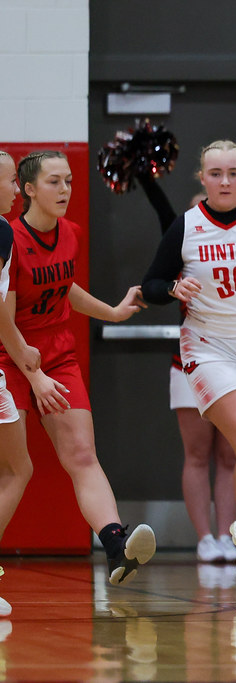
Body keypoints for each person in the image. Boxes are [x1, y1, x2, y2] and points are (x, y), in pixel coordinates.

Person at [0, 150, 156, 591]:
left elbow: (63, 286)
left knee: (82, 456)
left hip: (58, 357)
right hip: (11, 357)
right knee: (13, 470)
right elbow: (3, 317)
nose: (65, 189)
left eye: (68, 180)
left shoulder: (70, 233)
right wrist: (33, 376)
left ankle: (115, 545)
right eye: (54, 182)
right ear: (28, 189)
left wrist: (112, 311)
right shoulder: (8, 239)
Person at [140, 140, 236, 595]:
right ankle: (233, 541)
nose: (225, 181)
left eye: (233, 173)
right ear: (202, 178)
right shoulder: (187, 226)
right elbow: (151, 283)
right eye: (215, 173)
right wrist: (174, 286)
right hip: (206, 348)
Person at [137, 172, 236, 564]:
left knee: (230, 455)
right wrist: (144, 172)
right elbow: (164, 214)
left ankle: (229, 536)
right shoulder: (182, 237)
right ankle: (204, 539)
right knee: (197, 453)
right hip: (190, 362)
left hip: (235, 359)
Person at [0, 149, 39, 616]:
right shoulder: (2, 232)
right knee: (18, 468)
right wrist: (23, 352)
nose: (14, 189)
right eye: (11, 181)